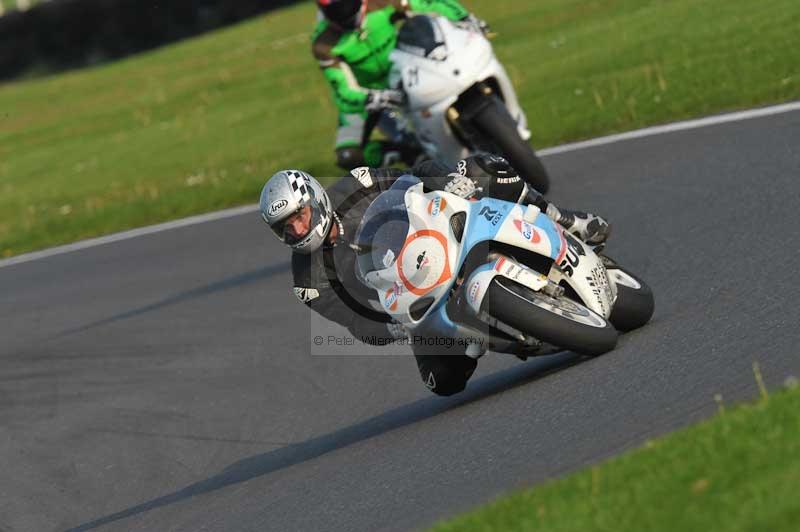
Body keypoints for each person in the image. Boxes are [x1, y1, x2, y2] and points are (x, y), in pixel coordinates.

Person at [259, 155, 609, 396]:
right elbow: (355, 323)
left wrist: (449, 183)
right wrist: (392, 326)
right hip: (412, 300)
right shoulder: (308, 282)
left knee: (483, 166)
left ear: (314, 200)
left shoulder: (356, 185)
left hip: (439, 237)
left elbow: (411, 177)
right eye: (286, 228)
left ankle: (562, 218)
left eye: (299, 216)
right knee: (441, 382)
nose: (297, 229)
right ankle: (502, 332)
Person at [312, 0, 490, 171]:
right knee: (347, 156)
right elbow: (343, 92)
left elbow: (429, 3)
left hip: (404, 70)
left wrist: (463, 18)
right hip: (367, 95)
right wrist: (370, 97)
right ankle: (407, 153)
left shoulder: (381, 2)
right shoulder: (323, 43)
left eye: (347, 4)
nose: (343, 13)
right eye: (335, 10)